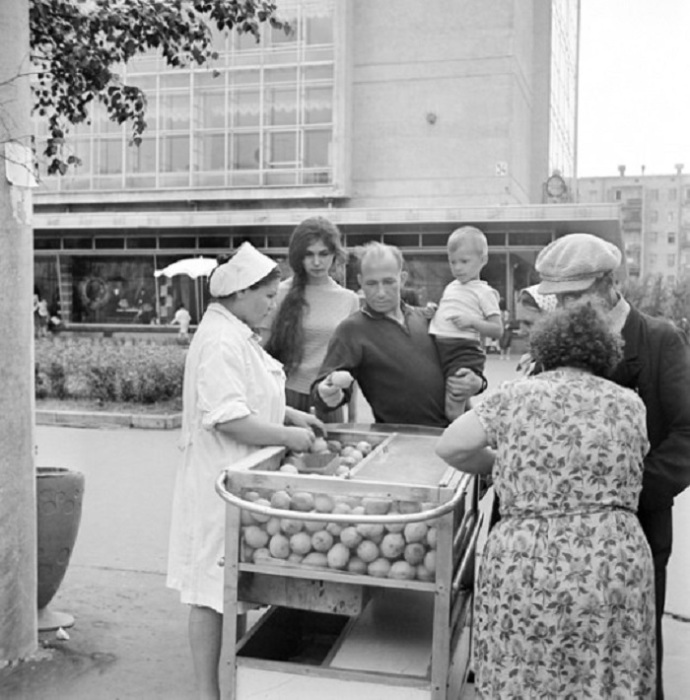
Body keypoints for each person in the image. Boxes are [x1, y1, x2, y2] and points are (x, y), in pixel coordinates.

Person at [436, 302, 657, 698]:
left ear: (544, 349)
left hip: (529, 558)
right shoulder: (630, 404)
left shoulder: (516, 396)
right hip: (613, 559)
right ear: (605, 353)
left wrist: (503, 466)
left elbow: (451, 446)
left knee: (525, 674)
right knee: (605, 676)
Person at [535, 232, 690, 699]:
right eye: (557, 298)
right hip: (564, 544)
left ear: (609, 284)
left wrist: (625, 501)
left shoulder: (659, 339)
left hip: (639, 532)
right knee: (571, 661)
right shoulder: (558, 344)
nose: (565, 307)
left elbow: (686, 434)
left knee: (636, 657)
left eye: (575, 295)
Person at [166, 242, 324, 700]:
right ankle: (205, 691)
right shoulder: (218, 339)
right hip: (217, 481)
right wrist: (286, 436)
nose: (273, 306)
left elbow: (251, 393)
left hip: (237, 481)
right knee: (207, 591)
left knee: (226, 585)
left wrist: (292, 417)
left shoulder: (236, 332)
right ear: (240, 293)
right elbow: (230, 416)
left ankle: (228, 683)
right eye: (268, 296)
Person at [312, 241, 486, 427]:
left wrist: (478, 382)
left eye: (388, 282)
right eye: (371, 284)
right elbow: (323, 388)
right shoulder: (351, 330)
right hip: (404, 441)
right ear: (361, 281)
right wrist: (327, 393)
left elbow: (463, 358)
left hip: (461, 430)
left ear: (402, 279)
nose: (380, 293)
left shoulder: (429, 318)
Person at [263, 217, 360, 421]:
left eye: (323, 254)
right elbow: (262, 354)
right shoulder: (279, 294)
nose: (317, 262)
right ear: (299, 257)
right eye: (309, 254)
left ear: (334, 254)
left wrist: (352, 417)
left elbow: (350, 367)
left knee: (332, 452)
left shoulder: (348, 299)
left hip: (329, 398)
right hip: (285, 396)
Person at [428, 226, 502, 420]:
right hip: (440, 350)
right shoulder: (452, 286)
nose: (458, 267)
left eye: (464, 261)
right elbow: (449, 312)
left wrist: (473, 322)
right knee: (460, 402)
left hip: (463, 352)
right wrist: (434, 313)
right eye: (453, 262)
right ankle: (474, 435)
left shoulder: (484, 292)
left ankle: (461, 443)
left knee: (453, 406)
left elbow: (497, 330)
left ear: (483, 260)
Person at [513, 285, 557, 374]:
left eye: (528, 323)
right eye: (519, 323)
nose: (521, 332)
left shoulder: (567, 367)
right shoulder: (529, 362)